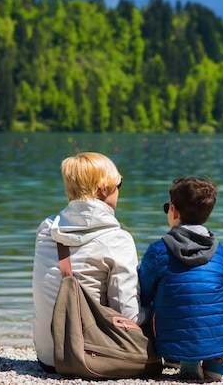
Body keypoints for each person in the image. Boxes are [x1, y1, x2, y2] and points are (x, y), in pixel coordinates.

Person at [32, 152, 146, 373]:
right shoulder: (117, 239)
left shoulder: (46, 229)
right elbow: (127, 314)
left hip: (48, 356)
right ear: (103, 188)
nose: (119, 190)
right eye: (119, 183)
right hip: (92, 354)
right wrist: (153, 312)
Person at [138, 177, 223, 380]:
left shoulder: (158, 250)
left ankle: (189, 363)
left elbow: (144, 292)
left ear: (173, 211)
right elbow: (221, 287)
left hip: (169, 338)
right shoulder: (220, 251)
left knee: (172, 304)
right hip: (214, 335)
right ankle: (215, 361)